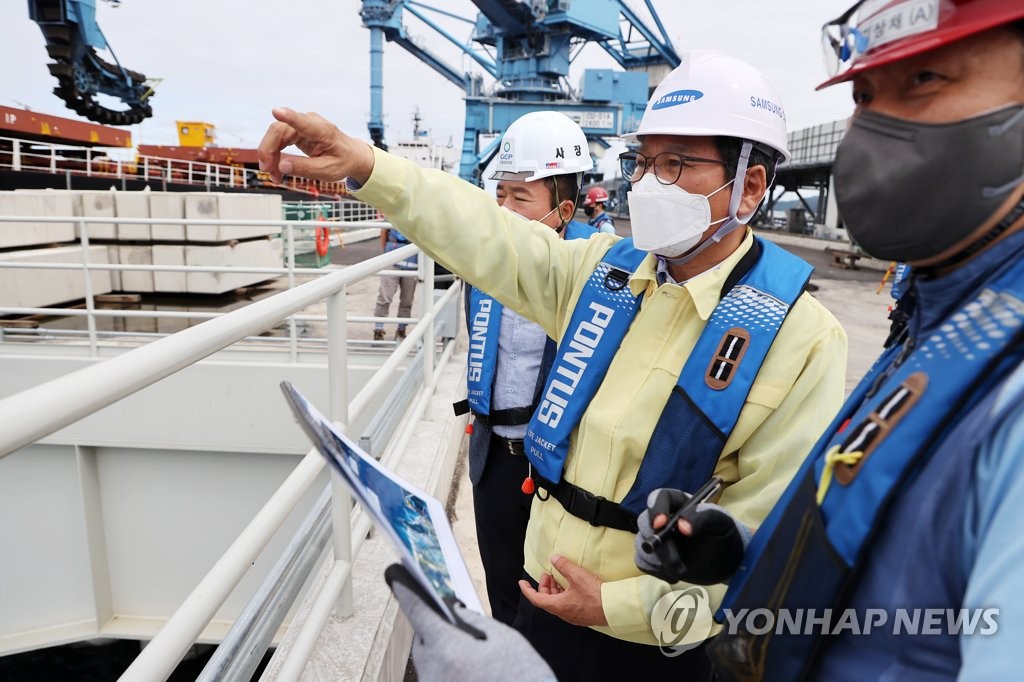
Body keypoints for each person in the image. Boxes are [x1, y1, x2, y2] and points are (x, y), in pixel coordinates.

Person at [258, 49, 848, 680]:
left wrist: (617, 605)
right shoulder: (602, 274)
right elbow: (484, 231)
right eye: (644, 162)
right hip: (543, 604)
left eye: (677, 163)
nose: (649, 183)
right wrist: (368, 165)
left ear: (751, 186)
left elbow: (772, 544)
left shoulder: (799, 338)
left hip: (653, 649)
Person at [634, 2, 1024, 680]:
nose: (874, 126)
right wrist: (744, 553)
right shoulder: (938, 316)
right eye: (866, 94)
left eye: (926, 78)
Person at [455, 111, 599, 626]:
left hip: (560, 469)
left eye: (521, 198)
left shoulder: (597, 275)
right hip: (494, 458)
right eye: (501, 196)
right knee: (503, 592)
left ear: (562, 209)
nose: (505, 209)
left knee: (553, 607)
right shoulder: (486, 264)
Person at [373, 226, 416, 341]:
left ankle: (401, 330)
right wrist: (386, 254)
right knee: (385, 296)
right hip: (393, 257)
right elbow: (384, 231)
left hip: (413, 262)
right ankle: (378, 330)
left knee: (407, 300)